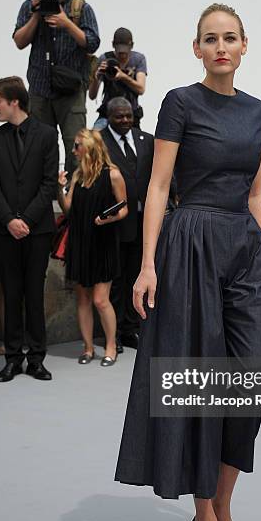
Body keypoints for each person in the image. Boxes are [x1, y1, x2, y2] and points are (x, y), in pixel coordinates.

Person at [115, 3, 261, 521]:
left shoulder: (257, 110)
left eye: (229, 38)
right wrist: (146, 266)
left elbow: (255, 193)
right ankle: (206, 520)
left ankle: (223, 503)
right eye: (210, 39)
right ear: (196, 48)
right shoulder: (180, 102)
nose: (221, 47)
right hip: (192, 247)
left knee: (252, 381)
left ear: (244, 44)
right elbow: (158, 187)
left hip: (244, 249)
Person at [0, 76, 58, 382]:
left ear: (13, 101)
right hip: (3, 230)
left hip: (38, 230)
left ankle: (36, 359)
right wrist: (9, 219)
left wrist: (26, 221)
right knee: (11, 291)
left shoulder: (47, 135)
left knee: (34, 294)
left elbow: (48, 185)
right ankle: (12, 357)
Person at [13, 0, 100, 176]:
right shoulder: (30, 6)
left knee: (76, 143)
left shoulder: (80, 7)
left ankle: (74, 195)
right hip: (39, 89)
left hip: (71, 90)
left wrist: (66, 23)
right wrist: (36, 14)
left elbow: (92, 43)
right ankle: (45, 193)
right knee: (39, 146)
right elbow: (19, 41)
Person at [57, 129, 128, 366]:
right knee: (83, 299)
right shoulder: (78, 175)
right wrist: (61, 188)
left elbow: (124, 208)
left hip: (103, 242)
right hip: (79, 242)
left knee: (100, 300)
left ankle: (111, 346)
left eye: (77, 145)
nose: (74, 150)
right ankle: (87, 348)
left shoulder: (113, 174)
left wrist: (108, 219)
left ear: (90, 147)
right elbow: (68, 209)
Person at [101, 97, 154, 351]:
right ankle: (115, 331)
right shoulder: (99, 141)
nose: (124, 120)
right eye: (118, 116)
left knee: (136, 275)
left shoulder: (146, 139)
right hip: (115, 222)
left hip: (144, 222)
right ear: (108, 116)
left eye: (128, 116)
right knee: (117, 278)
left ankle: (131, 328)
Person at [89, 27, 147, 130]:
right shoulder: (105, 59)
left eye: (125, 52)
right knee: (94, 138)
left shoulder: (138, 59)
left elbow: (141, 89)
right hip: (107, 114)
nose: (122, 56)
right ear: (113, 45)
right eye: (119, 52)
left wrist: (123, 76)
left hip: (130, 115)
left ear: (131, 46)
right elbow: (92, 96)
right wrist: (96, 76)